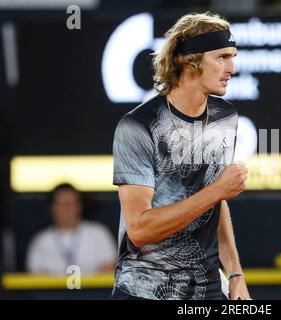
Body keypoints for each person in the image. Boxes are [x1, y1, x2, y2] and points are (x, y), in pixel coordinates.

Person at [111, 12, 250, 300]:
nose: (232, 68)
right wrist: (216, 191)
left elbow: (216, 202)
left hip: (207, 288)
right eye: (222, 57)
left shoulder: (225, 117)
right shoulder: (136, 127)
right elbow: (140, 229)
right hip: (144, 289)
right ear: (190, 61)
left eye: (232, 56)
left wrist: (235, 273)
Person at [26, 183, 117, 274]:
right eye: (62, 204)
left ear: (79, 206)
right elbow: (36, 275)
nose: (67, 208)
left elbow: (109, 268)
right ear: (52, 208)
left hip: (92, 288)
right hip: (54, 288)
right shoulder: (41, 240)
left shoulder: (98, 233)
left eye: (71, 203)